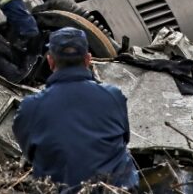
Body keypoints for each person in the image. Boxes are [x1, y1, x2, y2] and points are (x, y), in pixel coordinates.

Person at [12, 27, 139, 193]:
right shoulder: (113, 96)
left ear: (50, 62)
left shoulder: (30, 107)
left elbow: (29, 153)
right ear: (88, 60)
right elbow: (124, 139)